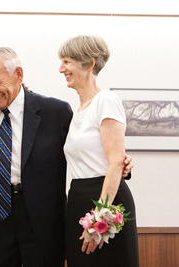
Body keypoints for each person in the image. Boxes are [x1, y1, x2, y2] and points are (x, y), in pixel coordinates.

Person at [0, 47, 73, 266]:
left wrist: (120, 163)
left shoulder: (56, 112)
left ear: (19, 75)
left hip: (40, 216)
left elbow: (81, 152)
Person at [58, 35, 139, 267]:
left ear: (89, 64)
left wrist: (99, 219)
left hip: (105, 200)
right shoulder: (79, 109)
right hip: (78, 198)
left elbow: (115, 163)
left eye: (67, 61)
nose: (61, 68)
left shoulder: (106, 99)